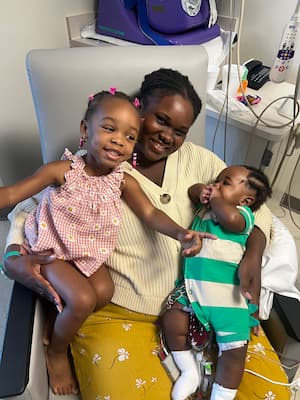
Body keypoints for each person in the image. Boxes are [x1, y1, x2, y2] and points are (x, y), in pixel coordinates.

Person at [4, 69, 290, 399]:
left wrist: (253, 254)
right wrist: (13, 258)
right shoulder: (94, 166)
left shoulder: (201, 161)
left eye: (180, 131)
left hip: (201, 304)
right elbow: (24, 210)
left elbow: (257, 210)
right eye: (161, 120)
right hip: (116, 311)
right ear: (138, 110)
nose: (168, 136)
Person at [0, 89, 207, 396]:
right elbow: (16, 194)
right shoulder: (63, 171)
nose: (118, 140)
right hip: (51, 248)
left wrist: (180, 232)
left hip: (85, 253)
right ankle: (57, 352)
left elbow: (150, 213)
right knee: (82, 300)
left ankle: (57, 318)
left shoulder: (122, 180)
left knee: (104, 291)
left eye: (129, 136)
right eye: (109, 128)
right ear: (85, 129)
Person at [161, 165, 272, 400]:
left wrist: (216, 198)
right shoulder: (207, 206)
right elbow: (192, 191)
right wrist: (201, 190)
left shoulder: (243, 217)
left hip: (228, 299)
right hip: (193, 291)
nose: (217, 185)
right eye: (217, 180)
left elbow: (229, 219)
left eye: (226, 182)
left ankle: (222, 394)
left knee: (234, 351)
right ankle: (189, 370)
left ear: (246, 200)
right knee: (172, 320)